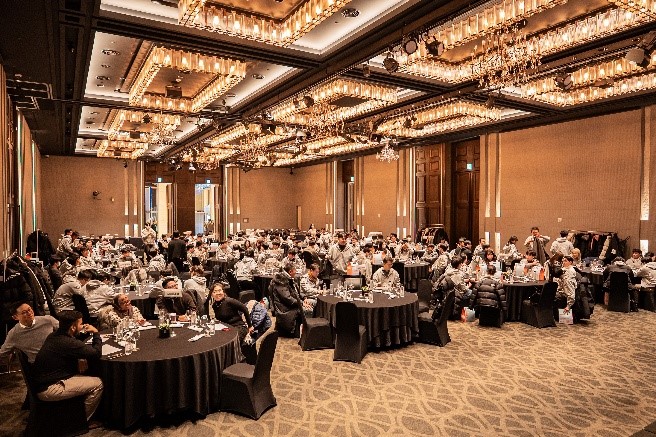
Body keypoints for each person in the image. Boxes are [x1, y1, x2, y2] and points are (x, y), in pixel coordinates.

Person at [32, 310, 103, 423]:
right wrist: (96, 333)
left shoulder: (54, 336)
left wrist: (80, 357)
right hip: (50, 388)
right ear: (73, 327)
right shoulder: (67, 342)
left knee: (86, 372)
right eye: (80, 324)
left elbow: (71, 349)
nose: (83, 326)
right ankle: (81, 422)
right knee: (98, 383)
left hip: (44, 381)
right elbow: (96, 353)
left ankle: (76, 413)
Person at [269, 262, 303, 335]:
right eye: (295, 270)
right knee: (307, 310)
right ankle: (303, 333)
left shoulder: (288, 279)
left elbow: (295, 293)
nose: (296, 272)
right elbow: (287, 298)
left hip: (288, 305)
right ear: (290, 272)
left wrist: (303, 298)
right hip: (285, 309)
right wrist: (301, 303)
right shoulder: (281, 281)